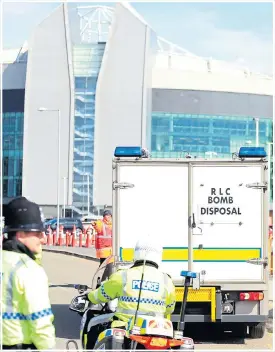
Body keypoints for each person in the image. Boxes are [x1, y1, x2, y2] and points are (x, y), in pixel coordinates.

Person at [79, 237, 176, 349]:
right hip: (156, 332)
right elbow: (170, 308)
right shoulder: (166, 280)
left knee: (92, 326)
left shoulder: (123, 275)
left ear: (136, 253)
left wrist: (88, 297)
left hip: (124, 327)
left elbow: (101, 295)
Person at [2, 197, 56, 350]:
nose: (43, 239)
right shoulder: (28, 269)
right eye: (38, 233)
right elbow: (41, 323)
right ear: (20, 234)